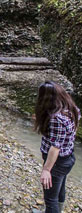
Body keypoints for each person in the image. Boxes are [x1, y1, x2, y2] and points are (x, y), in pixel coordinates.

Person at [34, 81, 80, 213]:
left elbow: (55, 147)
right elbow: (69, 132)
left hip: (57, 162)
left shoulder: (56, 119)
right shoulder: (72, 109)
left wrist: (46, 170)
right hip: (68, 158)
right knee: (59, 189)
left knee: (50, 199)